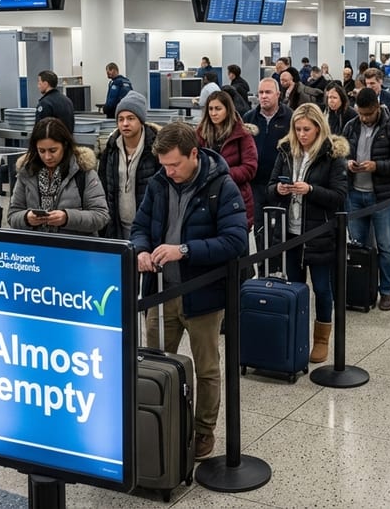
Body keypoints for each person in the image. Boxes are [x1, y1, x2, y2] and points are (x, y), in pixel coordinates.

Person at [131, 122, 248, 460]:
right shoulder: (158, 183)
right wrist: (141, 250)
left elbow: (235, 241)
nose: (170, 171)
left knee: (206, 367)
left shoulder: (222, 187)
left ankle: (203, 431)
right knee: (152, 362)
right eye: (165, 165)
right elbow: (140, 226)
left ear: (194, 154)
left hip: (203, 294)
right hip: (161, 293)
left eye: (175, 164)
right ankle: (157, 425)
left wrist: (183, 250)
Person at [267, 104, 348, 363]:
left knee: (322, 289)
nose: (301, 134)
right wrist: (279, 190)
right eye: (297, 129)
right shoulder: (285, 151)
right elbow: (269, 186)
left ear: (318, 129)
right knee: (295, 287)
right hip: (290, 232)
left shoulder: (332, 155)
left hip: (320, 233)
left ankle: (321, 338)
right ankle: (298, 336)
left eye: (306, 130)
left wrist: (311, 190)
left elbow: (339, 196)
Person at [343, 87, 390, 311]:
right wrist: (348, 163)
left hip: (382, 196)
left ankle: (386, 291)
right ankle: (363, 289)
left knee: (385, 245)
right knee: (358, 246)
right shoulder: (350, 127)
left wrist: (377, 166)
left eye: (368, 114)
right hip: (355, 195)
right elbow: (340, 154)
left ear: (377, 108)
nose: (364, 118)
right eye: (360, 113)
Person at [7, 116, 109, 236]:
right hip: (36, 248)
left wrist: (67, 218)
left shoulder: (84, 172)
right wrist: (26, 218)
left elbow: (101, 216)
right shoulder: (26, 172)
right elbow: (12, 215)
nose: (47, 157)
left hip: (74, 250)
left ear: (65, 145)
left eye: (53, 150)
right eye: (42, 151)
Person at [98, 91, 160, 240]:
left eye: (131, 118)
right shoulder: (111, 149)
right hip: (116, 226)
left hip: (148, 228)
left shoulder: (156, 149)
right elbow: (103, 186)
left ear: (141, 121)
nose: (125, 123)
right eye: (121, 119)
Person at [196, 90, 258, 229]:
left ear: (227, 110)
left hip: (236, 196)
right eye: (210, 109)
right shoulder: (200, 134)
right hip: (205, 199)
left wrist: (222, 175)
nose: (213, 113)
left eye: (218, 109)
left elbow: (250, 168)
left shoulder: (242, 134)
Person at [244, 78, 292, 234]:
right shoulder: (249, 118)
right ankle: (261, 259)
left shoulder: (290, 117)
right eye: (261, 92)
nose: (264, 96)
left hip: (280, 186)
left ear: (278, 94)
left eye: (268, 92)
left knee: (278, 231)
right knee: (259, 229)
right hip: (255, 184)